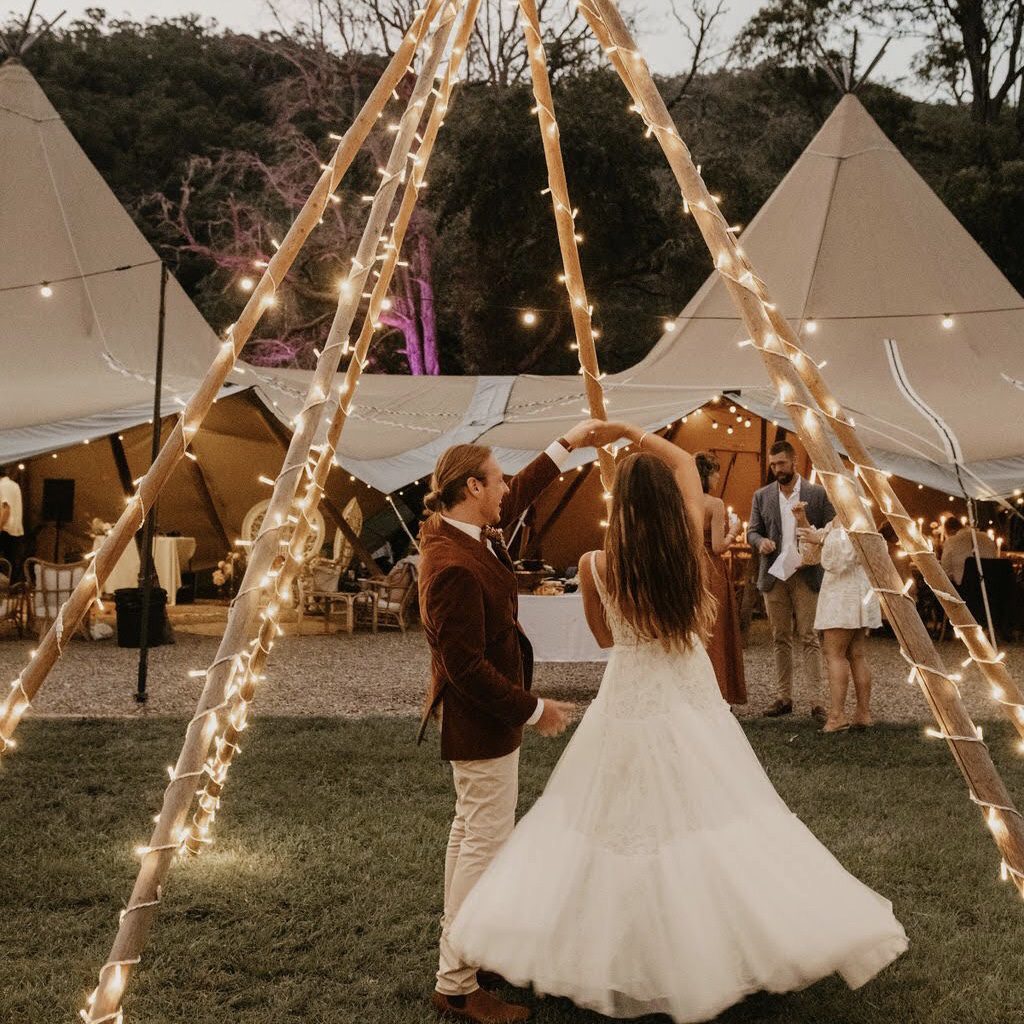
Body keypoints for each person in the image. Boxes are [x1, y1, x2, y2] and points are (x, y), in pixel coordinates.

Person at [448, 423, 907, 1022]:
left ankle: (618, 952)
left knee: (612, 822)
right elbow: (686, 471)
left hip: (628, 698)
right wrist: (630, 435)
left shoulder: (593, 565)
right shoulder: (691, 548)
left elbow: (605, 636)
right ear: (672, 504)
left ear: (621, 510)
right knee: (714, 815)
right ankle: (717, 943)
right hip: (691, 700)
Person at [418, 417, 621, 1024]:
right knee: (483, 845)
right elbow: (464, 668)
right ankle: (457, 983)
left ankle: (471, 951)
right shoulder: (451, 562)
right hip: (481, 724)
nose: (506, 489)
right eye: (497, 481)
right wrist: (536, 709)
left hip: (484, 725)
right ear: (472, 489)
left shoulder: (464, 532)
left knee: (470, 837)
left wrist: (571, 443)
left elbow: (527, 487)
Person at [747, 441, 834, 719]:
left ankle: (816, 701)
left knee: (809, 637)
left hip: (805, 573)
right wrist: (760, 543)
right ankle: (783, 697)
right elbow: (752, 531)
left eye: (781, 463)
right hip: (775, 574)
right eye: (773, 465)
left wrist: (815, 537)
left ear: (794, 461)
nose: (777, 469)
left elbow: (832, 528)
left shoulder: (817, 494)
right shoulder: (762, 496)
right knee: (779, 636)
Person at [797, 516, 881, 732]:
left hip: (844, 593)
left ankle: (837, 716)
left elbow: (841, 558)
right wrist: (804, 523)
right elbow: (811, 557)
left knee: (834, 653)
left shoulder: (851, 517)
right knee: (856, 654)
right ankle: (863, 713)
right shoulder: (847, 517)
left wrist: (821, 539)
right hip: (856, 591)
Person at [694, 451, 746, 705]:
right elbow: (717, 546)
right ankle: (717, 693)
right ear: (707, 475)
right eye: (715, 472)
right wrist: (734, 532)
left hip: (688, 568)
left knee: (693, 629)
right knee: (715, 630)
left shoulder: (681, 500)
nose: (717, 477)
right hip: (710, 570)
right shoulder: (714, 504)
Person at [940, 516, 998, 587]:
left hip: (965, 590)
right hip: (990, 587)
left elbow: (945, 571)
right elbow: (995, 559)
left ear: (951, 531)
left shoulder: (951, 541)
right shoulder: (986, 537)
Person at [0, 466, 24, 578]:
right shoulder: (14, 485)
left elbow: (6, 509)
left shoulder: (2, 486)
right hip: (15, 530)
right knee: (12, 562)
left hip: (5, 530)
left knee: (5, 563)